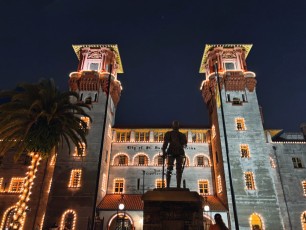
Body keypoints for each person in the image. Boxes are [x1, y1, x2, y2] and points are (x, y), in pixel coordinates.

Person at [162, 121, 187, 188]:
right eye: (175, 125)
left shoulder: (182, 135)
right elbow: (165, 143)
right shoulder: (169, 133)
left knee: (179, 169)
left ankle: (178, 186)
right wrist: (164, 150)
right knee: (169, 168)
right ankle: (168, 186)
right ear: (172, 126)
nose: (176, 126)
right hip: (171, 151)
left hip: (179, 152)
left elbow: (184, 144)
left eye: (177, 125)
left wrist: (183, 143)